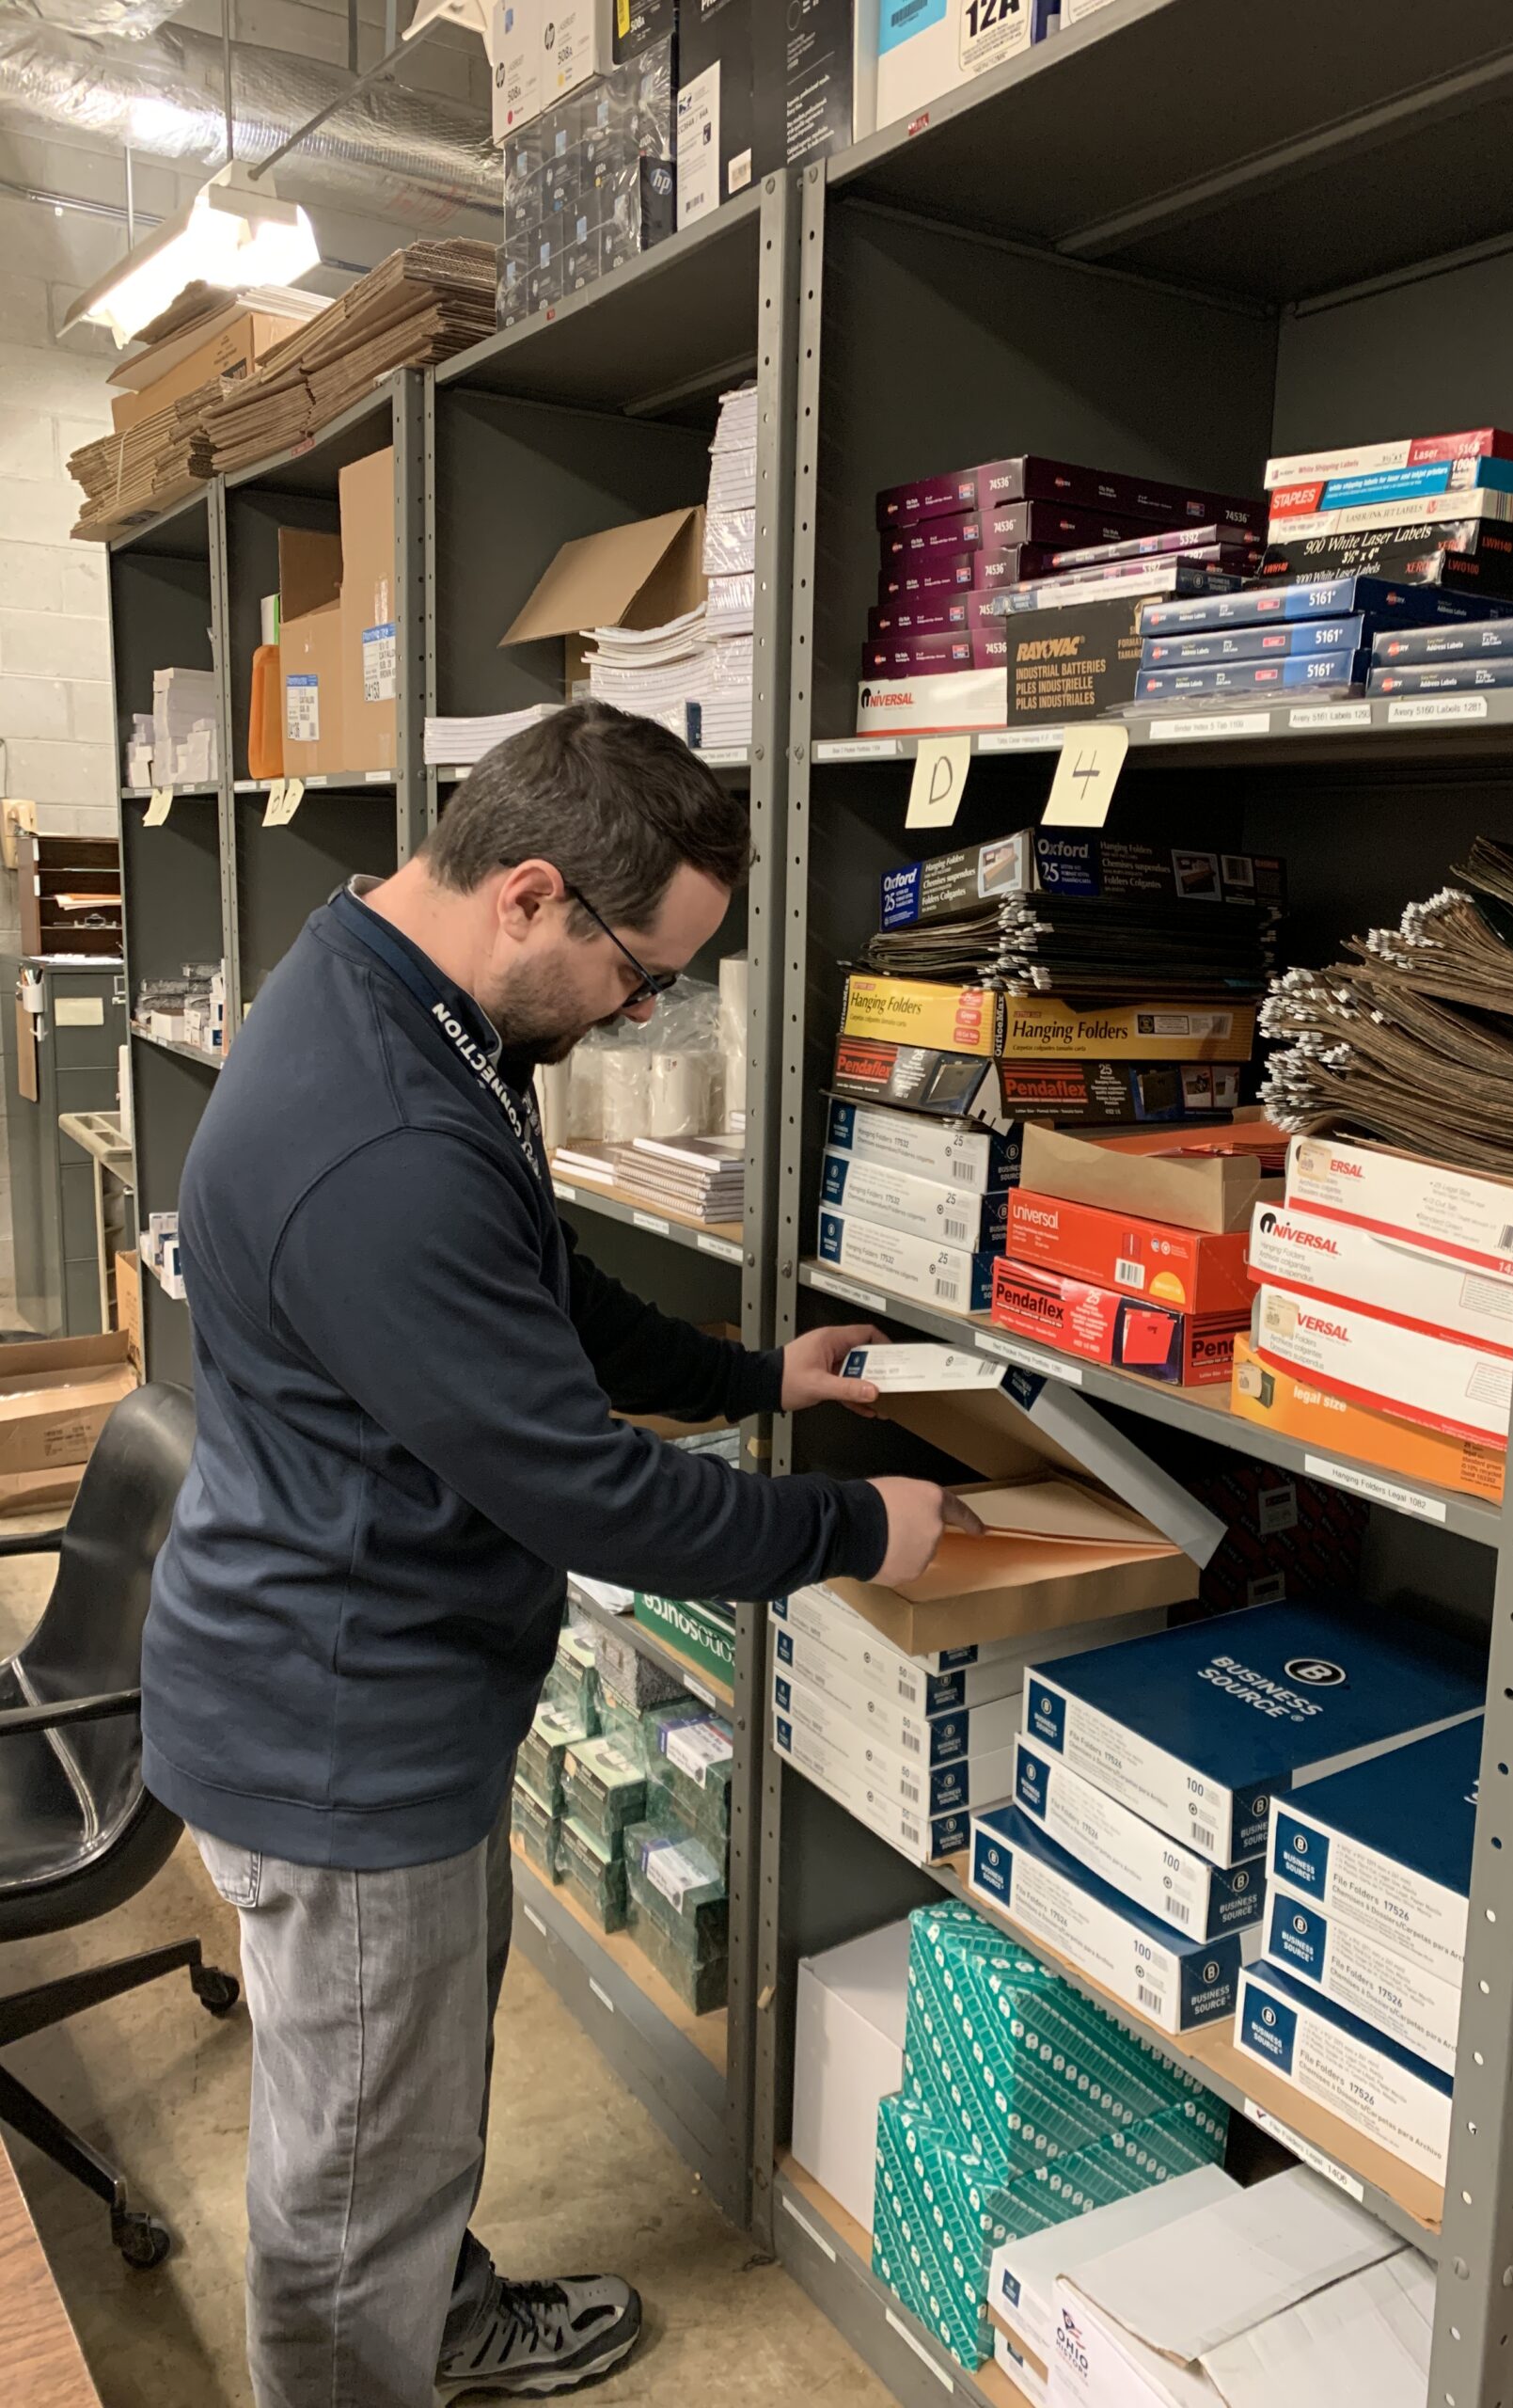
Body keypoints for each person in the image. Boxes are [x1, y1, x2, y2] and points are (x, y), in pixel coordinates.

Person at [140, 702, 969, 2408]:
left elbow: (543, 1301)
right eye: (640, 973)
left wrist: (752, 1379)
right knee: (352, 2175)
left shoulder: (414, 1005)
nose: (646, 1011)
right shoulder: (382, 1138)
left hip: (375, 1680)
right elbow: (591, 1498)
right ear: (532, 896)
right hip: (341, 1728)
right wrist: (847, 1524)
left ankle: (433, 2319)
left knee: (398, 2109)